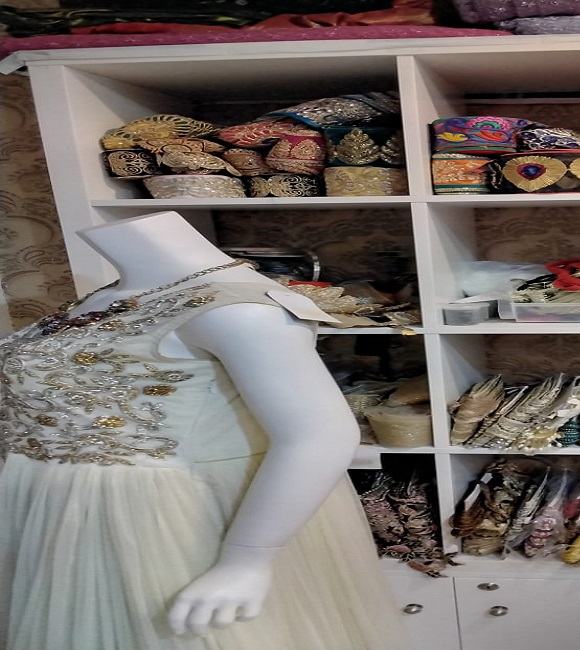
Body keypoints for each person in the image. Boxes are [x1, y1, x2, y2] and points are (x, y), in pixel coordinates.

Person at [0, 211, 404, 649]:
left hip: (152, 519)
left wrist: (247, 560)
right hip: (56, 511)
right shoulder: (116, 294)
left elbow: (321, 436)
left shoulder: (239, 308)